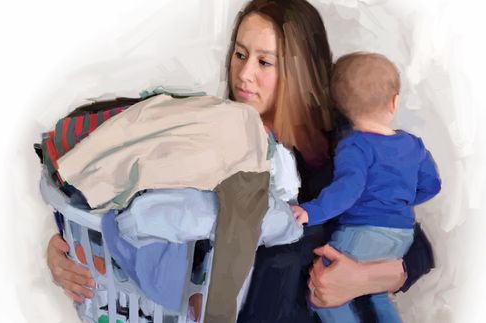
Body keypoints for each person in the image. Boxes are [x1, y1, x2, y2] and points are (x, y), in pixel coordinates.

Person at [46, 1, 435, 322]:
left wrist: (364, 278)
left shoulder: (345, 154)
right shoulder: (211, 143)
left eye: (265, 62)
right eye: (240, 54)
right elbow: (139, 215)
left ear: (300, 71)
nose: (244, 75)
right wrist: (64, 252)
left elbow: (415, 245)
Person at [291, 52, 441, 322]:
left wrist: (310, 212)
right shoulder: (413, 145)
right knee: (376, 294)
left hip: (363, 232)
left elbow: (347, 192)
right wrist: (400, 202)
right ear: (394, 102)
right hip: (402, 236)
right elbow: (432, 186)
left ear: (343, 107)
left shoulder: (354, 146)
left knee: (323, 289)